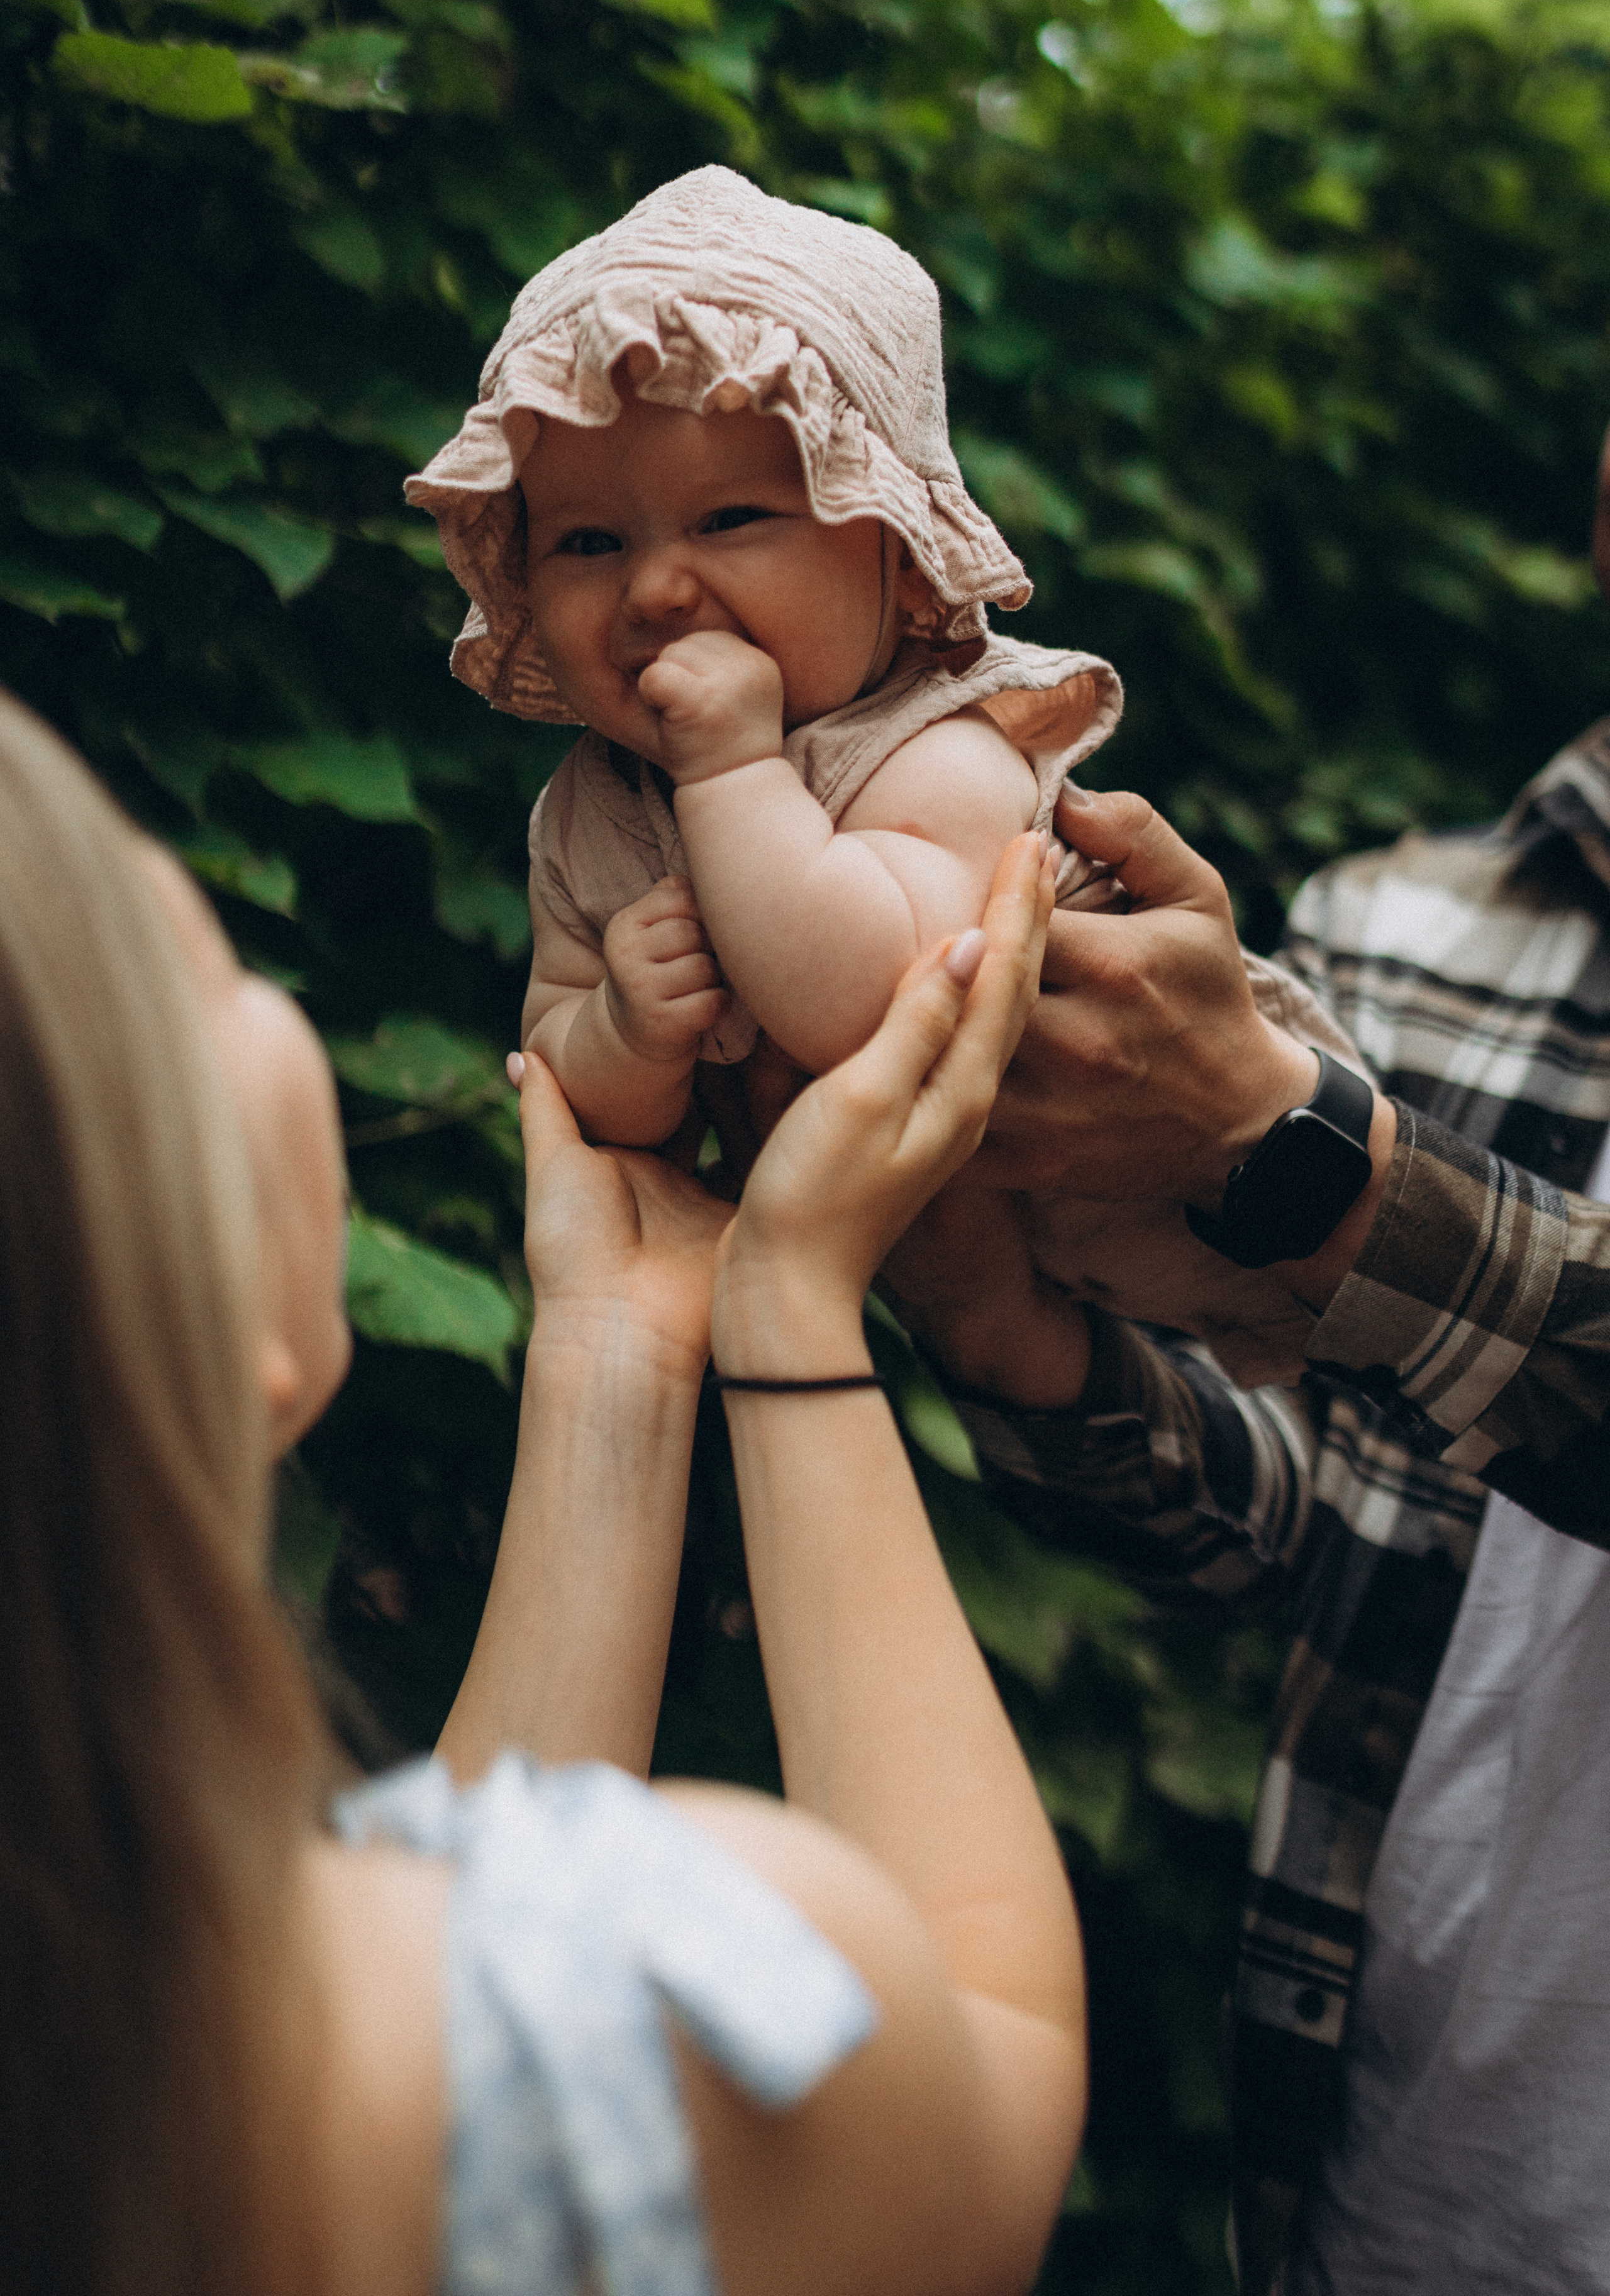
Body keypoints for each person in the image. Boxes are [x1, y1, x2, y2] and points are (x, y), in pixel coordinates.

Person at [0, 685, 1087, 2296]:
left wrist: (617, 1348)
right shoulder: (657, 2023)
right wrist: (790, 1300)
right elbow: (979, 2050)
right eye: (210, 969)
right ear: (165, 1294)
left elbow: (476, 1916)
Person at [889, 446, 1610, 2294]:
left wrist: (1299, 1156)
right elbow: (1294, 1531)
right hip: (1394, 2204)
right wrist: (995, 1314)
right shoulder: (1413, 932)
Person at [406, 159, 1349, 1387]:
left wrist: (736, 767)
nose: (653, 589)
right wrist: (622, 1033)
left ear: (901, 566)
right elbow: (569, 1082)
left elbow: (865, 1007)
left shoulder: (944, 742)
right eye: (588, 542)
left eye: (730, 521)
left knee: (1344, 1388)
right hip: (999, 1292)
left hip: (1236, 1210)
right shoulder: (591, 811)